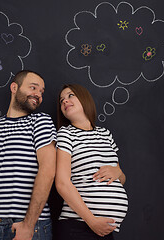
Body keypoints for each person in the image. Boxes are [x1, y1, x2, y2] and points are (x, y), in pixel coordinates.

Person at [0, 70, 57, 240]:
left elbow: (48, 172)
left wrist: (29, 224)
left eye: (41, 92)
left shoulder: (40, 121)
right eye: (33, 87)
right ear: (14, 87)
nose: (38, 95)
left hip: (30, 226)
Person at [55, 84, 128, 240]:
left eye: (70, 95)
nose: (65, 101)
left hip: (104, 229)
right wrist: (91, 220)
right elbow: (62, 183)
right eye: (61, 100)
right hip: (79, 226)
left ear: (84, 98)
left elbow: (121, 179)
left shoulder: (105, 134)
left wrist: (118, 172)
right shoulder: (66, 134)